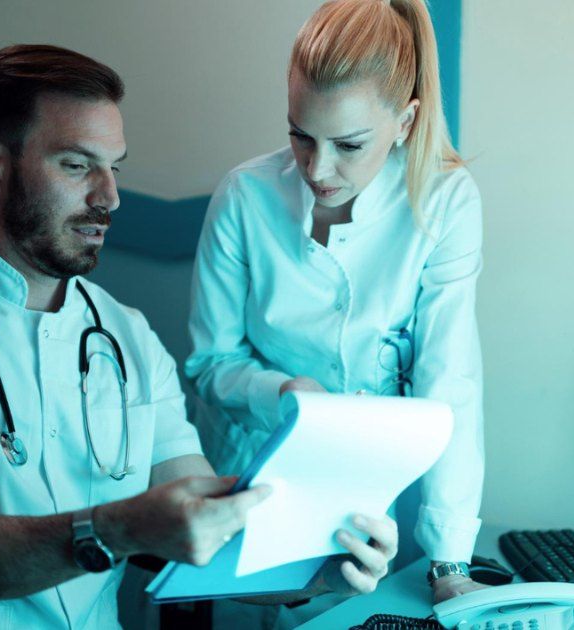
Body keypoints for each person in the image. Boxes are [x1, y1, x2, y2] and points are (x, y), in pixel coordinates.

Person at [0, 44, 396, 629]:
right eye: (77, 166)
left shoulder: (127, 335)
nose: (109, 197)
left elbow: (206, 523)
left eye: (114, 167)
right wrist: (118, 528)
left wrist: (318, 571)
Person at [186, 0, 486, 607]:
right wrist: (281, 395)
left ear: (405, 121)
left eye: (349, 144)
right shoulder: (244, 197)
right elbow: (209, 365)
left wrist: (450, 562)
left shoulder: (445, 201)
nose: (317, 169)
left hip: (384, 497)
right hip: (256, 484)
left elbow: (450, 381)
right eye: (300, 135)